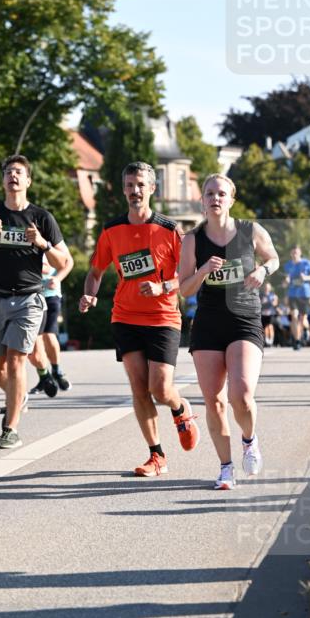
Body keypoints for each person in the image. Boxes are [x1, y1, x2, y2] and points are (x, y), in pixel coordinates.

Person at [80, 161, 198, 477]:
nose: (135, 191)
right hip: (125, 316)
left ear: (152, 189)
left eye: (141, 185)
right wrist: (89, 294)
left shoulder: (170, 230)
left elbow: (189, 276)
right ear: (124, 189)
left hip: (163, 317)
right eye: (130, 185)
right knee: (138, 387)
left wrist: (163, 286)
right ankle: (157, 455)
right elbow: (95, 272)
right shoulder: (111, 230)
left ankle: (180, 408)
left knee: (161, 389)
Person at [178, 173, 279, 490]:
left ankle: (249, 440)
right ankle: (225, 468)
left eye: (221, 193)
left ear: (231, 199)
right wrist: (203, 271)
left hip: (244, 318)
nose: (215, 198)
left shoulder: (250, 231)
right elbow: (184, 288)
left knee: (242, 395)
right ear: (202, 200)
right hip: (208, 322)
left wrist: (263, 269)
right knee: (214, 401)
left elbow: (273, 258)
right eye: (209, 193)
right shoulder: (192, 240)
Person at [0, 154, 70, 449]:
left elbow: (64, 260)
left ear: (28, 180)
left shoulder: (42, 218)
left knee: (16, 362)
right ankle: (19, 395)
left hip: (28, 299)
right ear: (3, 180)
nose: (13, 176)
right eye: (8, 172)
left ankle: (10, 429)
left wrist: (42, 243)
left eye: (18, 172)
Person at [29, 255, 74, 395]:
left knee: (49, 335)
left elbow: (66, 261)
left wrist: (57, 278)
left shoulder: (50, 241)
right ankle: (44, 376)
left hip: (50, 295)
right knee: (34, 343)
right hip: (29, 297)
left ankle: (57, 371)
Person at [283, 245, 310, 350]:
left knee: (303, 319)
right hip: (292, 293)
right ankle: (297, 340)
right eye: (293, 253)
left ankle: (305, 331)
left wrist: (306, 277)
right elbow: (285, 283)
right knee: (294, 316)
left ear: (300, 253)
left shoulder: (307, 263)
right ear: (290, 254)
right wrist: (286, 282)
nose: (295, 255)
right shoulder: (288, 265)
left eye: (296, 253)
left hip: (304, 293)